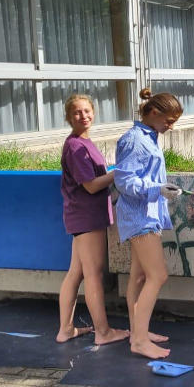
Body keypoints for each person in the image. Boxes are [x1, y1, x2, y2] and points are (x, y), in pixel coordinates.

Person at [114, 88, 184, 359]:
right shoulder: (134, 140)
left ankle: (137, 332)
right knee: (158, 276)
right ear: (153, 113)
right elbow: (124, 182)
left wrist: (161, 189)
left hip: (145, 214)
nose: (170, 126)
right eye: (168, 120)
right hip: (139, 216)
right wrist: (158, 189)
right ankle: (140, 340)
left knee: (139, 277)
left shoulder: (147, 137)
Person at [56, 94, 130, 346]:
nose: (83, 116)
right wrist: (120, 171)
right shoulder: (76, 147)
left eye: (87, 111)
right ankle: (103, 331)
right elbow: (90, 186)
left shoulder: (83, 142)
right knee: (93, 274)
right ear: (68, 117)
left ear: (94, 113)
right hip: (86, 218)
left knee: (75, 273)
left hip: (83, 217)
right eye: (77, 112)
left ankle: (65, 329)